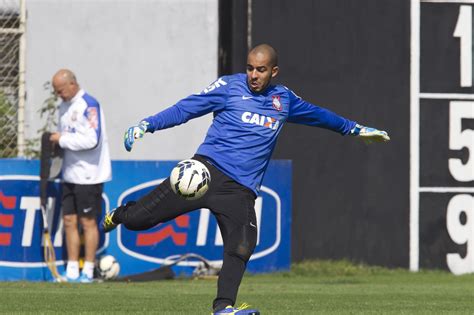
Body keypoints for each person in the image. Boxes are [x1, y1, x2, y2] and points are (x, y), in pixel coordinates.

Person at [102, 44, 389, 313]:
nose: (253, 75)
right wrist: (148, 124)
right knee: (140, 220)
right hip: (203, 173)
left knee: (242, 244)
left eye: (261, 69)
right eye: (250, 68)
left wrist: (353, 129)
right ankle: (121, 213)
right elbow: (187, 107)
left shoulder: (283, 100)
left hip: (239, 189)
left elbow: (318, 115)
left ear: (273, 72)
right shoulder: (229, 86)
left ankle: (223, 307)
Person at [50, 69, 112, 283]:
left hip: (89, 174)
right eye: (56, 92)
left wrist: (62, 139)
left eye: (61, 91)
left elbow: (92, 140)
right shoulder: (63, 106)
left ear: (72, 84)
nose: (59, 95)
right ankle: (73, 269)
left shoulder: (89, 105)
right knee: (68, 220)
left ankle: (88, 269)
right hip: (69, 173)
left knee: (88, 222)